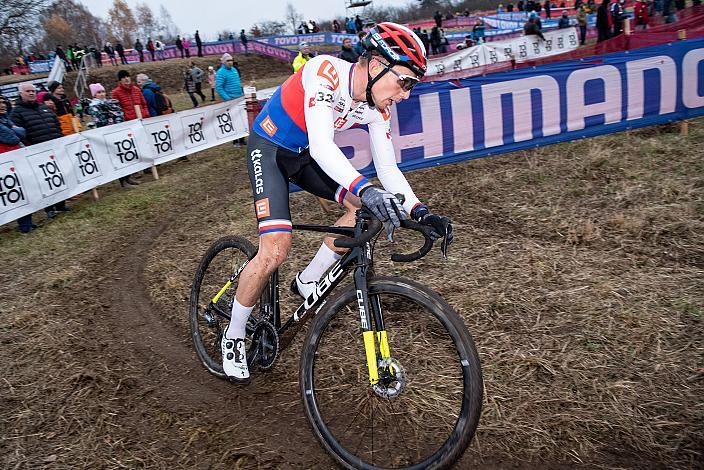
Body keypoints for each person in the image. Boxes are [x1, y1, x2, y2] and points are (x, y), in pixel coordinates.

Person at [220, 22, 453, 381]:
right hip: (269, 149)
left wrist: (420, 210)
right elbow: (323, 146)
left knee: (362, 208)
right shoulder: (323, 71)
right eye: (405, 82)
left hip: (303, 155)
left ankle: (308, 279)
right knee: (275, 249)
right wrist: (366, 188)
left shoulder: (379, 107)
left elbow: (387, 167)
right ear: (376, 66)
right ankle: (233, 335)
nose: (405, 94)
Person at [10, 83, 70, 229]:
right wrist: (30, 148)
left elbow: (56, 124)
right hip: (35, 152)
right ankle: (50, 209)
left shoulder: (44, 107)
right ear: (21, 93)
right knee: (45, 181)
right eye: (28, 91)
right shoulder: (17, 113)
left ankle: (61, 204)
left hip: (54, 148)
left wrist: (60, 139)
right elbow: (19, 134)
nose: (31, 93)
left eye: (33, 91)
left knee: (59, 176)